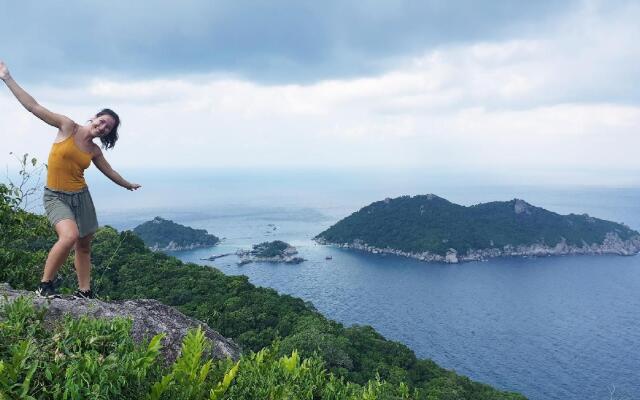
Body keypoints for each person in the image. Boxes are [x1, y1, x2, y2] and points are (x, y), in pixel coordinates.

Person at [0, 60, 141, 299]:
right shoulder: (67, 127)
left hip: (81, 197)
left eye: (108, 128)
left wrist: (127, 184)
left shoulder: (95, 151)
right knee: (69, 237)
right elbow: (33, 107)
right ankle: (45, 285)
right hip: (55, 195)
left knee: (84, 245)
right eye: (102, 120)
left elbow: (110, 171)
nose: (102, 126)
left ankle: (84, 291)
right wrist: (7, 78)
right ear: (95, 117)